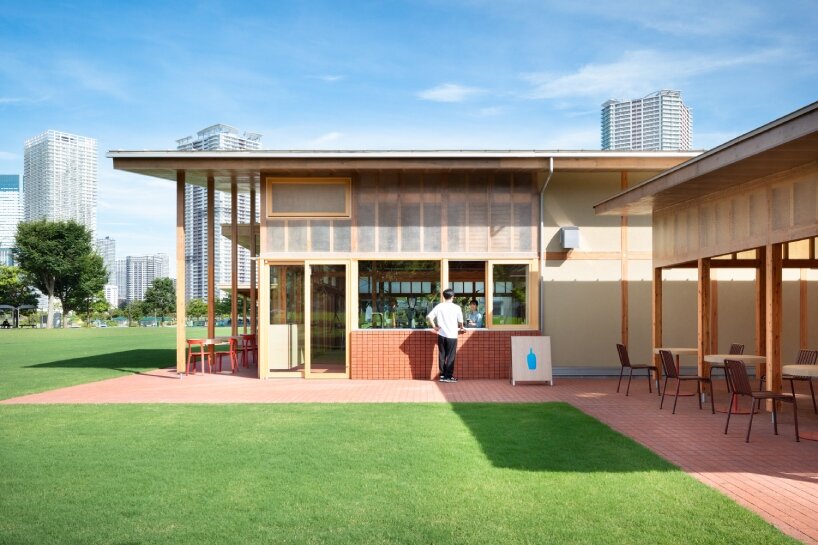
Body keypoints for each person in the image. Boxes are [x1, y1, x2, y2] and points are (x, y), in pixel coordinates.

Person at [426, 289, 465, 383]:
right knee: (451, 356)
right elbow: (460, 322)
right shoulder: (456, 307)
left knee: (442, 355)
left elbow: (429, 317)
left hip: (441, 334)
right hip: (452, 335)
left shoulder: (439, 306)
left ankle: (442, 375)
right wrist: (462, 328)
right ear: (452, 297)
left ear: (444, 296)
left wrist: (434, 327)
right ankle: (448, 376)